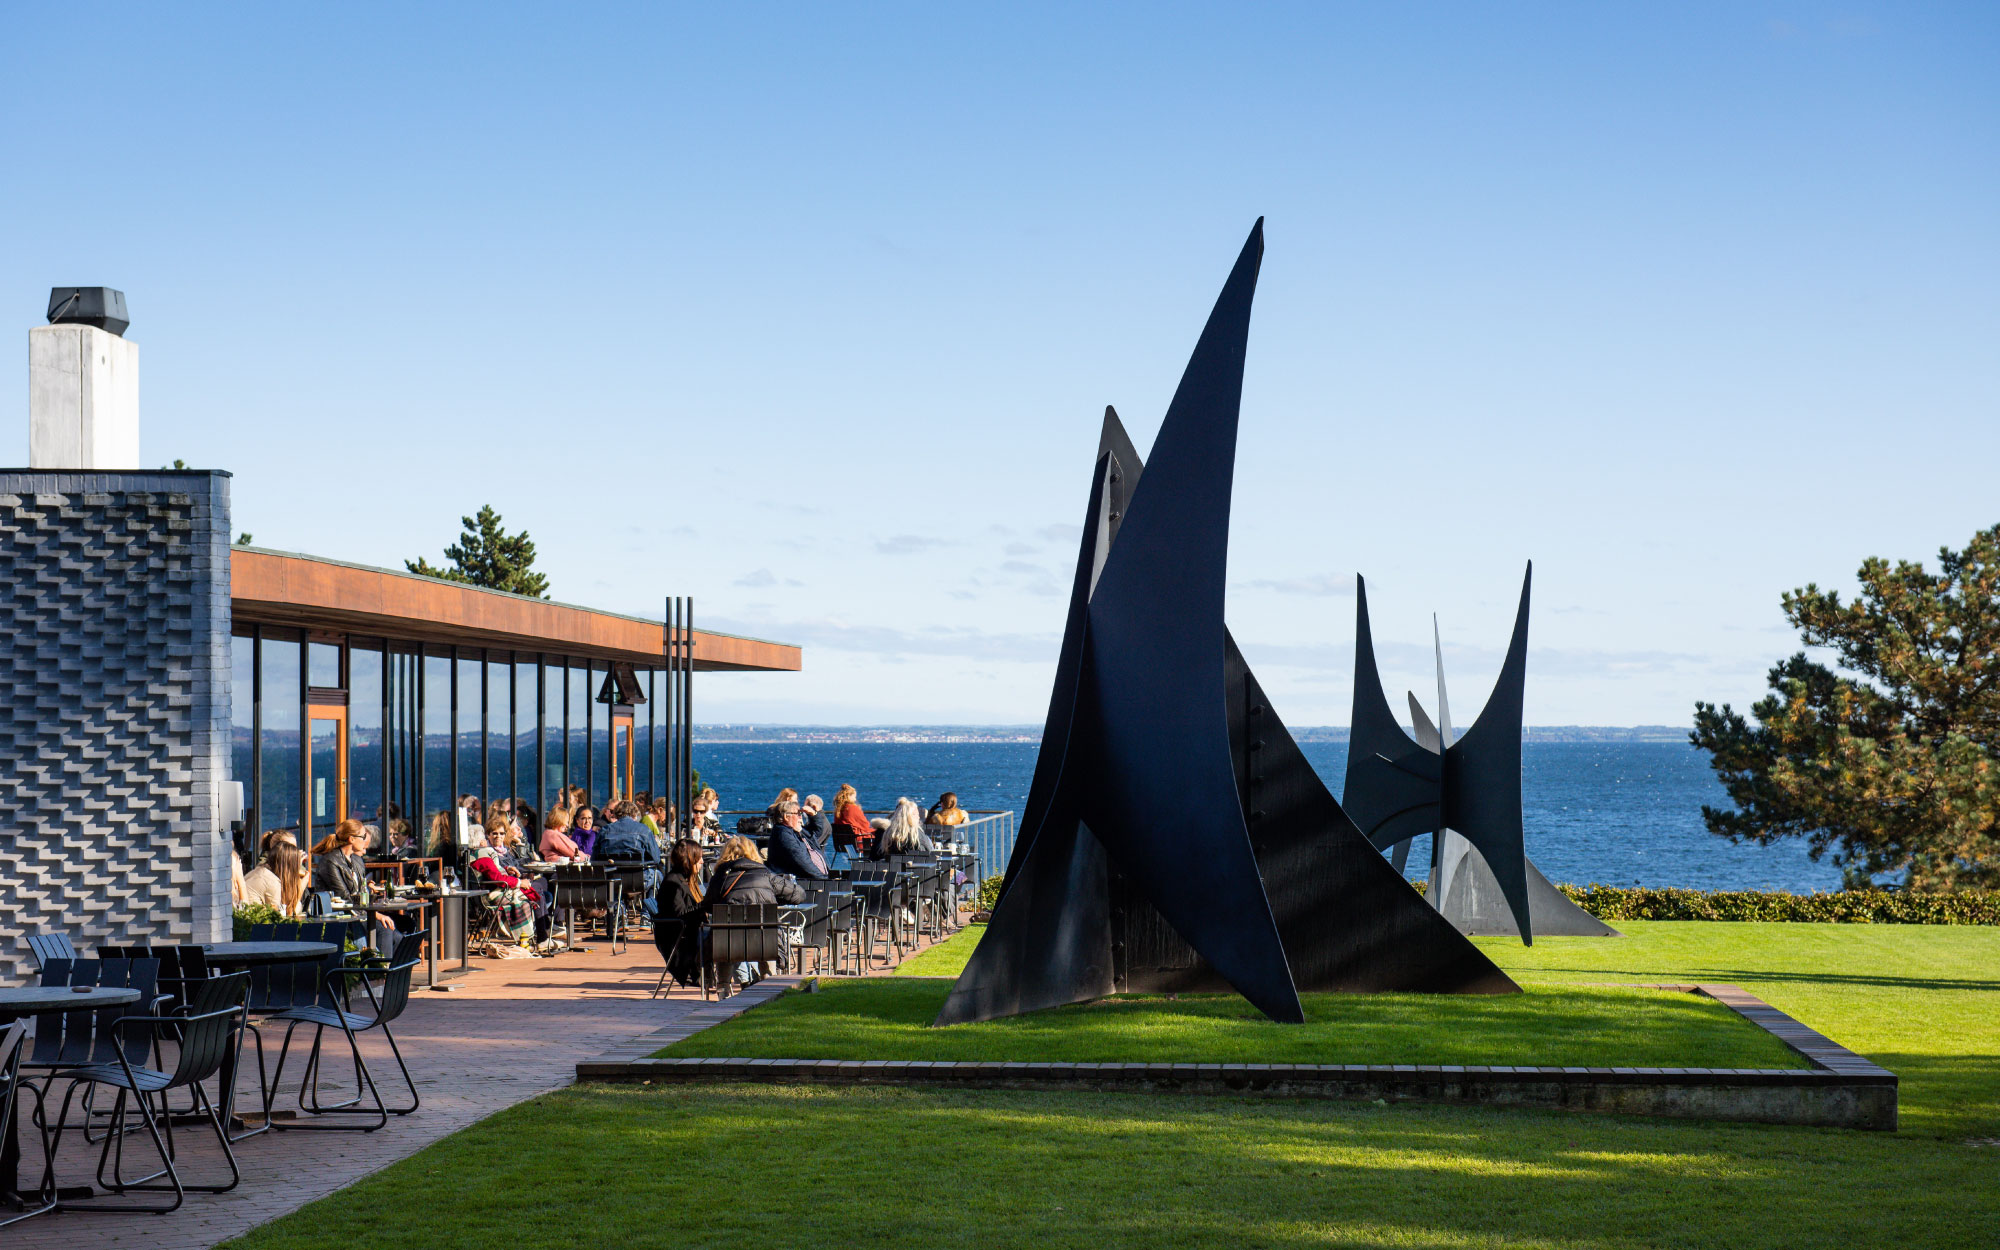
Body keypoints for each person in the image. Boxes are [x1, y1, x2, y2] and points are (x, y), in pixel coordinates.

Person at [704, 835, 805, 988]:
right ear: (753, 854)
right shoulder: (767, 876)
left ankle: (723, 988)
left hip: (729, 942)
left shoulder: (719, 878)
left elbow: (708, 906)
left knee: (724, 939)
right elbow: (799, 895)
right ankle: (769, 985)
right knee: (766, 940)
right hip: (764, 941)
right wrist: (773, 899)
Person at [594, 799, 663, 917]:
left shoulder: (605, 830)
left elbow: (594, 859)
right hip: (639, 879)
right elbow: (656, 858)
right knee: (658, 875)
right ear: (635, 815)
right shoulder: (643, 830)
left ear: (616, 814)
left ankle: (619, 913)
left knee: (613, 878)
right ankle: (647, 914)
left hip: (612, 879)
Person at [652, 839, 707, 989]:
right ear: (689, 859)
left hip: (687, 932)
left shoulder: (685, 879)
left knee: (726, 936)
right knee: (725, 939)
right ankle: (728, 983)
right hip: (677, 936)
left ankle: (721, 981)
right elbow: (680, 914)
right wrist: (705, 906)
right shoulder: (674, 883)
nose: (702, 861)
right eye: (699, 857)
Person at [310, 819, 372, 910]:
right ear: (352, 839)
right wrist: (374, 914)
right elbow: (343, 895)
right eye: (363, 836)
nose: (365, 840)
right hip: (339, 916)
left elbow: (362, 892)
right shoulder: (330, 861)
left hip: (359, 912)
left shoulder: (357, 860)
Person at [764, 798, 829, 880]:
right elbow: (801, 859)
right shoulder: (783, 834)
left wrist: (813, 815)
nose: (801, 817)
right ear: (786, 817)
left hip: (810, 878)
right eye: (798, 814)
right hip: (797, 882)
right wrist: (823, 878)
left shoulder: (794, 830)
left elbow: (815, 833)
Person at [242, 841, 309, 915]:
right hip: (251, 924)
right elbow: (283, 917)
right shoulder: (272, 881)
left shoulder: (260, 871)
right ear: (291, 867)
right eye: (297, 865)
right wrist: (301, 886)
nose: (299, 868)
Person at [870, 797, 936, 860]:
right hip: (916, 869)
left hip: (891, 869)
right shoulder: (916, 835)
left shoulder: (887, 833)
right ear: (911, 816)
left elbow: (875, 856)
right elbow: (930, 853)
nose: (919, 817)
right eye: (917, 814)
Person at [831, 784, 871, 853]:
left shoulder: (838, 809)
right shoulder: (853, 808)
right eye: (854, 797)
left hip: (842, 842)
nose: (855, 799)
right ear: (848, 796)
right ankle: (874, 860)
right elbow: (865, 825)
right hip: (857, 841)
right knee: (881, 834)